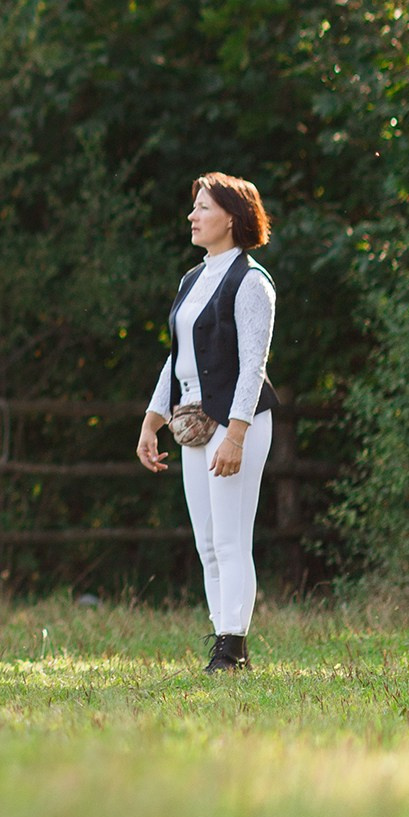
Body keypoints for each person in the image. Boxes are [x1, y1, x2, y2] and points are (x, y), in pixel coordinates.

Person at [136, 173, 280, 673]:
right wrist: (152, 422)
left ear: (232, 218)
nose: (192, 216)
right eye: (194, 207)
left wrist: (235, 434)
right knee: (206, 543)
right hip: (193, 426)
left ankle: (233, 646)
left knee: (231, 539)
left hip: (236, 424)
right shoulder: (192, 280)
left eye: (202, 208)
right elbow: (177, 360)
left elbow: (253, 363)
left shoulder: (252, 281)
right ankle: (222, 637)